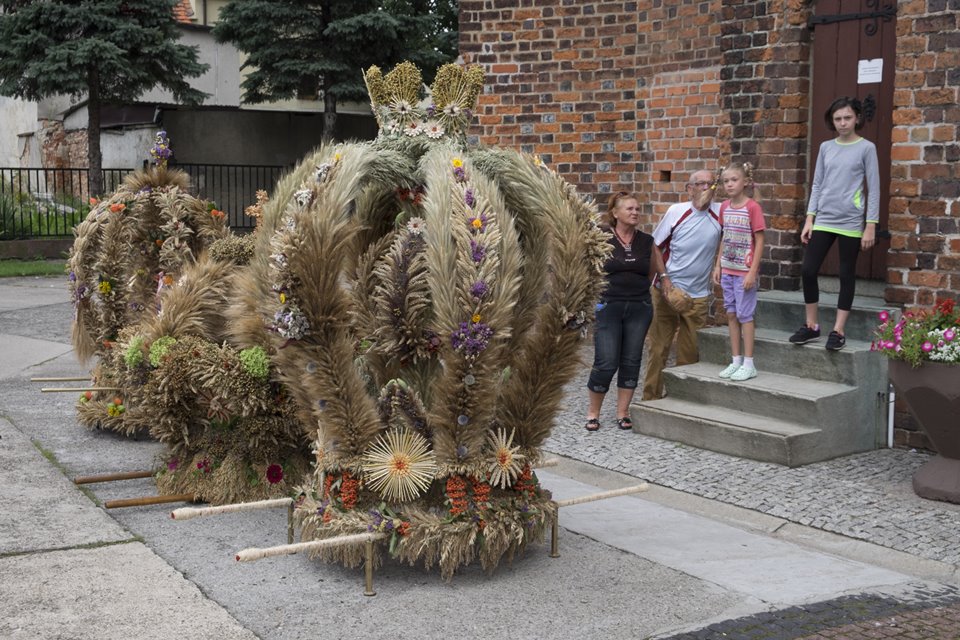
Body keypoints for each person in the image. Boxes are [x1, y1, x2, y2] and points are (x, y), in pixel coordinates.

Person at [789, 96, 879, 351]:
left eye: (847, 117)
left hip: (850, 220)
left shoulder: (866, 148)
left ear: (857, 118)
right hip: (824, 219)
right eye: (838, 118)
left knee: (846, 274)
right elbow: (817, 184)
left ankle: (838, 330)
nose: (842, 123)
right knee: (808, 270)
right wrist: (810, 218)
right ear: (832, 121)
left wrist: (870, 224)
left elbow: (874, 187)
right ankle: (811, 326)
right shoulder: (826, 147)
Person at [585, 191, 666, 431]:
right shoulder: (601, 237)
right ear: (615, 213)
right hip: (609, 305)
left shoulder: (646, 241)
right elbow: (589, 269)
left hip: (639, 307)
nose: (635, 212)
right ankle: (593, 412)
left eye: (637, 209)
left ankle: (622, 412)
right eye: (629, 209)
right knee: (606, 361)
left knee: (631, 360)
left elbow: (650, 272)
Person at [641, 170, 721, 401]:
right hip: (667, 290)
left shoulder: (720, 212)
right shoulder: (677, 212)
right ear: (690, 188)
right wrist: (664, 278)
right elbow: (655, 245)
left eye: (710, 183)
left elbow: (739, 223)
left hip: (698, 295)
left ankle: (681, 400)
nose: (706, 187)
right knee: (659, 348)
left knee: (690, 352)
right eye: (700, 183)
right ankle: (651, 398)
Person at [712, 162, 766, 381]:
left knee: (745, 315)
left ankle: (749, 363)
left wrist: (752, 272)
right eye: (726, 181)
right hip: (728, 270)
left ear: (745, 182)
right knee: (731, 314)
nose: (729, 184)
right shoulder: (724, 207)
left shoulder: (752, 207)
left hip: (744, 271)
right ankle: (735, 360)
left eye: (734, 180)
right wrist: (718, 265)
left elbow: (760, 241)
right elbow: (725, 236)